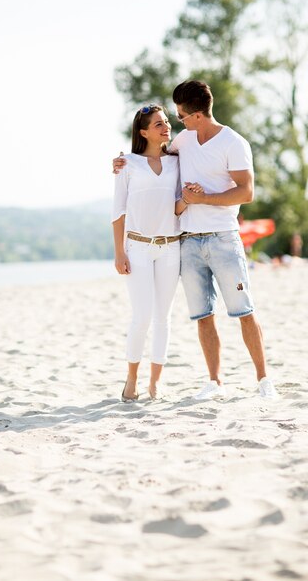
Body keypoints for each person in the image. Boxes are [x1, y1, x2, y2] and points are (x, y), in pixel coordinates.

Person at [113, 80, 278, 400]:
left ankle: (263, 379)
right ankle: (215, 382)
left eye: (181, 117)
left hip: (223, 238)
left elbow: (246, 192)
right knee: (203, 314)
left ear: (197, 114)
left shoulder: (234, 142)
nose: (177, 123)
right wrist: (120, 161)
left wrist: (203, 199)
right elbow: (148, 161)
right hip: (186, 242)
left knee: (244, 310)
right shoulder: (182, 143)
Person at [111, 104, 200, 402]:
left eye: (166, 122)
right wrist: (119, 253)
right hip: (136, 247)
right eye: (159, 124)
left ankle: (156, 383)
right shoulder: (127, 164)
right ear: (143, 131)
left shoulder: (176, 162)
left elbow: (175, 206)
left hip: (169, 246)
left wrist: (187, 201)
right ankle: (131, 378)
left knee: (163, 317)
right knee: (142, 316)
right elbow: (118, 212)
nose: (166, 127)